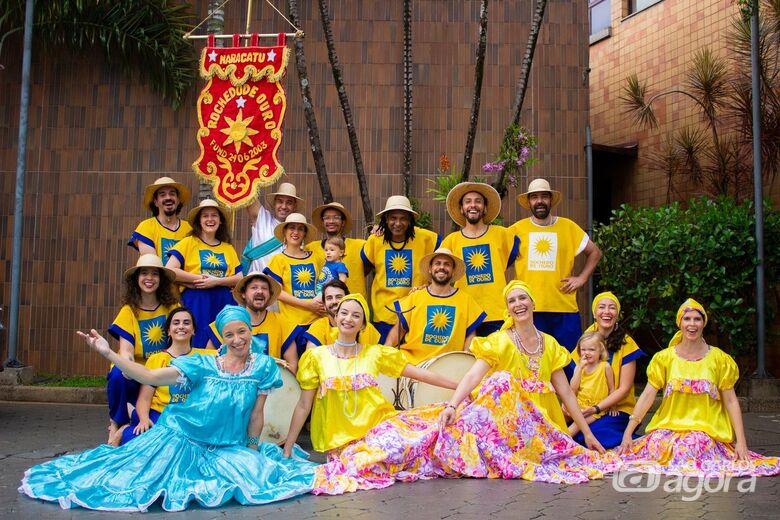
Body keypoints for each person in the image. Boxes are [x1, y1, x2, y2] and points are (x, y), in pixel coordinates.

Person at [302, 286, 618, 496]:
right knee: (493, 390)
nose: (519, 304)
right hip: (507, 422)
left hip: (542, 421)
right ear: (507, 307)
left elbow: (564, 391)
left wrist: (586, 432)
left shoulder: (550, 344)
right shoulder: (499, 341)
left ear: (533, 303)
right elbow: (472, 377)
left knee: (565, 459)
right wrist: (454, 404)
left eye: (524, 298)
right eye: (512, 300)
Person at [19, 306, 316, 511]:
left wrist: (252, 448)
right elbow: (148, 377)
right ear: (222, 338)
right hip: (182, 436)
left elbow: (256, 413)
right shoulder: (202, 363)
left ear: (249, 330)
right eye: (229, 335)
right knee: (141, 479)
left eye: (242, 332)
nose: (237, 340)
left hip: (226, 445)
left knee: (257, 471)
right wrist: (107, 352)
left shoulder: (262, 367)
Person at [618, 299, 780, 477]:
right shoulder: (664, 358)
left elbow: (732, 401)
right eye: (687, 319)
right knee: (657, 444)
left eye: (697, 319)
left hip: (704, 430)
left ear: (704, 323)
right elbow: (647, 395)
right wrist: (628, 432)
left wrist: (741, 442)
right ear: (679, 322)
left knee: (691, 445)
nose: (692, 324)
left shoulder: (719, 359)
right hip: (670, 428)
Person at [283, 294, 458, 456]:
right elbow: (304, 405)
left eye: (356, 315)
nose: (349, 319)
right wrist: (288, 449)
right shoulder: (316, 357)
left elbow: (419, 374)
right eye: (344, 313)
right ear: (335, 318)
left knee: (409, 445)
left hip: (377, 430)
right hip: (339, 442)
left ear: (363, 325)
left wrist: (460, 387)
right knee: (358, 467)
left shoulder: (375, 353)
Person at [508, 178, 602, 360]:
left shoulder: (568, 227)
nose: (539, 201)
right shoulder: (516, 231)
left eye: (544, 196)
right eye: (534, 197)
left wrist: (581, 278)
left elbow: (595, 253)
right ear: (529, 202)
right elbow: (499, 260)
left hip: (564, 308)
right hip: (529, 310)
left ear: (551, 200)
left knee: (569, 362)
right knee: (533, 363)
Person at [106, 254, 179, 445]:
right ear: (136, 279)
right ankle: (116, 423)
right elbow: (126, 351)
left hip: (162, 370)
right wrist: (129, 367)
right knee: (117, 375)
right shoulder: (128, 311)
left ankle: (131, 423)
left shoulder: (172, 307)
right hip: (137, 371)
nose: (149, 278)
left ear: (161, 280)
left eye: (154, 274)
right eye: (144, 273)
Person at [120, 307, 216, 445]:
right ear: (169, 331)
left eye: (186, 323)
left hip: (191, 417)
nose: (181, 326)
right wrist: (144, 420)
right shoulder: (156, 359)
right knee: (139, 440)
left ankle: (131, 413)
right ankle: (127, 424)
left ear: (194, 330)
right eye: (176, 323)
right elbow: (145, 398)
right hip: (161, 414)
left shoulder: (206, 357)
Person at [441, 182, 519, 336]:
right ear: (461, 209)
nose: (473, 205)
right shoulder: (451, 240)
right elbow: (438, 272)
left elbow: (518, 255)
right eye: (467, 201)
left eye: (478, 201)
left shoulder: (502, 234)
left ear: (485, 208)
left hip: (497, 312)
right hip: (465, 313)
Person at [386, 247, 486, 365]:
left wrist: (464, 363)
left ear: (453, 270)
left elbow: (470, 336)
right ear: (430, 269)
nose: (442, 267)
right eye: (437, 263)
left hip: (448, 366)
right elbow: (397, 332)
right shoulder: (415, 297)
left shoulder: (466, 300)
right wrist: (385, 353)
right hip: (413, 364)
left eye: (447, 264)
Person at [571, 292, 645, 448]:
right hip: (585, 405)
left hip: (616, 408)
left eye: (612, 308)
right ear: (594, 313)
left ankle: (636, 439)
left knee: (592, 436)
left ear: (617, 314)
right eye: (601, 307)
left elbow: (624, 388)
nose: (606, 312)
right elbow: (575, 376)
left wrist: (596, 408)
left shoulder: (627, 343)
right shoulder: (587, 338)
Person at [361, 195, 440, 342]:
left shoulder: (424, 238)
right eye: (393, 218)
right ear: (385, 219)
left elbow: (447, 257)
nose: (397, 223)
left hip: (415, 312)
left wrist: (431, 285)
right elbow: (363, 267)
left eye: (403, 218)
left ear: (410, 220)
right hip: (383, 315)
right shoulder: (375, 240)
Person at [165, 199, 242, 348]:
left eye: (214, 215)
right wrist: (200, 279)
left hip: (223, 303)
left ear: (220, 221)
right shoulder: (188, 242)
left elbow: (239, 278)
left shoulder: (227, 248)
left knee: (222, 346)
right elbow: (170, 270)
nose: (210, 219)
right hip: (197, 301)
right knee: (197, 343)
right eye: (205, 216)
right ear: (199, 221)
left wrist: (216, 281)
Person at [205, 271, 302, 373]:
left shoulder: (283, 324)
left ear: (270, 294)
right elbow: (209, 364)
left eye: (264, 288)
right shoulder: (224, 323)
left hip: (270, 386)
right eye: (254, 287)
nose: (259, 291)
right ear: (243, 294)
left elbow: (292, 366)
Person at [264, 213, 326, 353]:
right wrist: (308, 305)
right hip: (290, 323)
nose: (295, 232)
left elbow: (325, 281)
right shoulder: (277, 259)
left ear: (304, 234)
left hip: (316, 322)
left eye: (300, 229)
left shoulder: (316, 257)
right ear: (284, 232)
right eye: (291, 228)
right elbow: (277, 292)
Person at [303, 279, 382, 350]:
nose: (334, 301)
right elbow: (311, 358)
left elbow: (379, 358)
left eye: (339, 297)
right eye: (329, 298)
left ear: (348, 299)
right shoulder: (319, 327)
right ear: (324, 304)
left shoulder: (368, 328)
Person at [308, 201, 367, 297]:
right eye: (327, 218)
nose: (331, 221)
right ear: (323, 222)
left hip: (352, 306)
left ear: (343, 222)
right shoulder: (310, 248)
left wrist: (378, 230)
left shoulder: (359, 245)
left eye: (336, 217)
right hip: (322, 308)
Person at [128, 176, 192, 259]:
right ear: (155, 202)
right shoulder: (146, 227)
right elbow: (151, 264)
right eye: (163, 195)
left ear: (178, 200)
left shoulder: (190, 229)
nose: (168, 197)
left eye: (172, 194)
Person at [245, 182, 302, 274]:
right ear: (274, 203)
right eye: (280, 201)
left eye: (289, 203)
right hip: (258, 284)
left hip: (285, 287)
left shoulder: (299, 232)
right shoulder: (262, 218)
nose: (283, 206)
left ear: (294, 206)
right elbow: (246, 191)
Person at [567, 331, 614, 437]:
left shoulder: (605, 366)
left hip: (595, 409)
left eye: (591, 350)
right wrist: (579, 368)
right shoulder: (579, 368)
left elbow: (612, 389)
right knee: (559, 417)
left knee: (577, 425)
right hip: (579, 405)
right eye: (583, 349)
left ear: (601, 351)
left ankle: (561, 443)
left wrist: (613, 406)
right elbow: (573, 388)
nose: (586, 353)